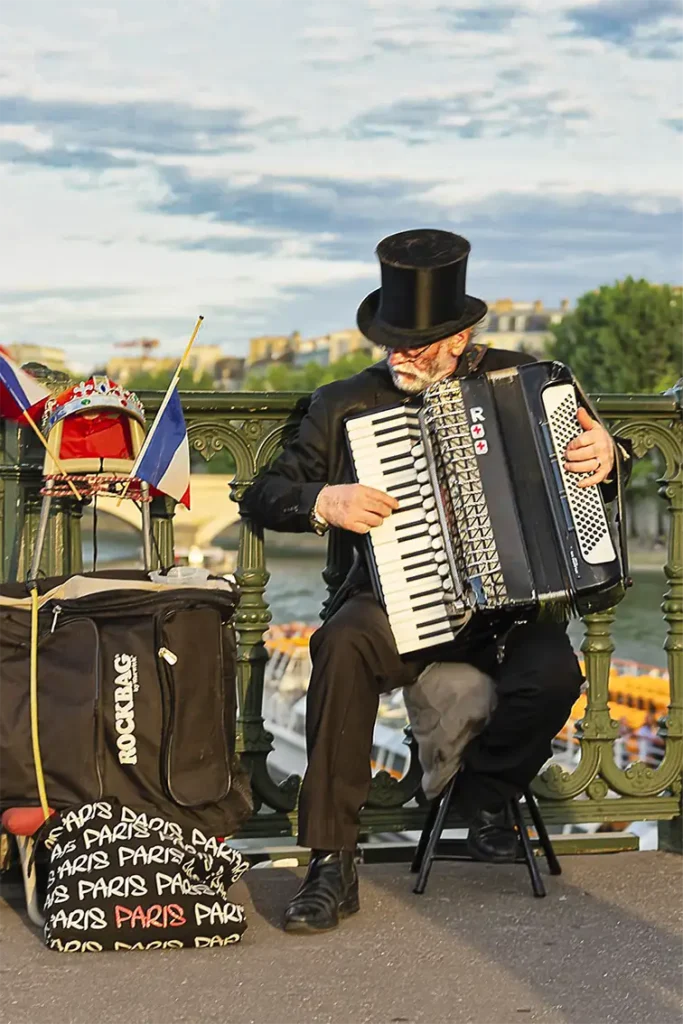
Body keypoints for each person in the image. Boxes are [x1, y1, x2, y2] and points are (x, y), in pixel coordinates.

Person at [240, 228, 631, 935]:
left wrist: (608, 451)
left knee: (553, 675)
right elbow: (263, 495)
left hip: (508, 613)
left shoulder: (531, 381)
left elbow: (601, 456)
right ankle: (330, 864)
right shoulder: (345, 403)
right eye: (390, 343)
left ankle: (480, 800)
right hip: (394, 605)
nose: (397, 357)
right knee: (341, 644)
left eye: (415, 346)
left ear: (458, 338)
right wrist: (323, 500)